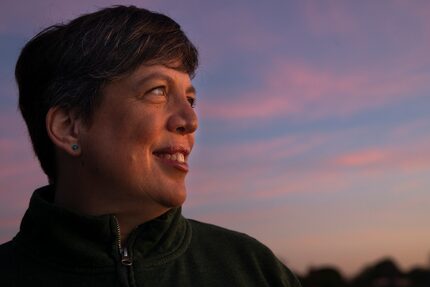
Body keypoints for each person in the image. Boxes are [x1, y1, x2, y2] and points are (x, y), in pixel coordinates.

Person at [0, 5, 301, 287]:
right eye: (157, 91)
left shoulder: (253, 269)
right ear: (69, 128)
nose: (190, 120)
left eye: (191, 99)